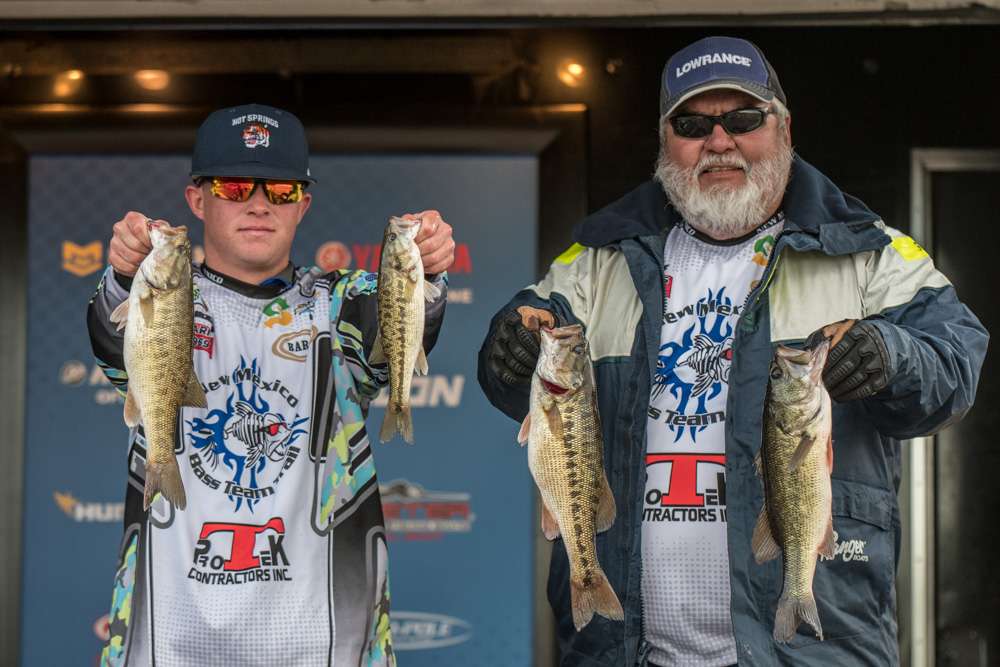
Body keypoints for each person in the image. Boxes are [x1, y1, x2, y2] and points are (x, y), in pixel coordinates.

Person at [478, 36, 987, 666]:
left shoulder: (867, 251)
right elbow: (523, 370)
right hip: (624, 650)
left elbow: (956, 362)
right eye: (693, 124)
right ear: (665, 141)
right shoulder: (595, 259)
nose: (719, 141)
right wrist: (506, 351)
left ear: (784, 127)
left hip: (812, 651)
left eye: (743, 118)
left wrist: (889, 354)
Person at [87, 103, 455, 666]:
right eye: (235, 185)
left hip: (324, 649)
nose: (258, 203)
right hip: (170, 647)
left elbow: (401, 322)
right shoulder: (158, 297)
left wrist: (425, 270)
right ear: (197, 199)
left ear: (302, 205)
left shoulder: (338, 304)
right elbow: (113, 342)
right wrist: (121, 274)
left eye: (280, 190)